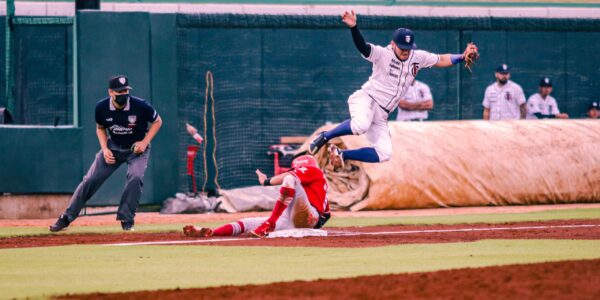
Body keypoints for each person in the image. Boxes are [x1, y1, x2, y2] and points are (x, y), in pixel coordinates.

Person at [308, 10, 477, 168]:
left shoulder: (417, 57)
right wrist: (354, 28)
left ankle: (342, 154)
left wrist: (462, 57)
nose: (405, 51)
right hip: (367, 99)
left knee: (385, 153)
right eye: (402, 47)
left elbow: (441, 59)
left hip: (382, 114)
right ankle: (325, 136)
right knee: (361, 125)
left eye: (408, 48)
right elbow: (364, 48)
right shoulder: (383, 54)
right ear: (392, 44)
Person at [49, 75, 162, 232]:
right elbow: (100, 128)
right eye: (119, 91)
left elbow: (157, 121)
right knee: (90, 180)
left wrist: (144, 142)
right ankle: (66, 218)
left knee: (135, 177)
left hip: (136, 149)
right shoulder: (101, 107)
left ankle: (126, 219)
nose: (123, 94)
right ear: (110, 92)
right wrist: (105, 149)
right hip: (113, 147)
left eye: (125, 90)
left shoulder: (141, 105)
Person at [183, 155, 331, 238]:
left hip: (307, 215)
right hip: (296, 219)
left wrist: (265, 181)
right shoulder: (318, 184)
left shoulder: (313, 171)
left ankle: (270, 224)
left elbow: (287, 177)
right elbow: (327, 215)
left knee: (289, 179)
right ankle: (212, 232)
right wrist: (315, 225)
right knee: (247, 223)